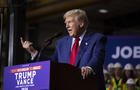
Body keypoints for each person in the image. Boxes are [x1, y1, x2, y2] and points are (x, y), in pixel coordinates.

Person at [21, 9, 107, 90]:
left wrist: (89, 68)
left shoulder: (97, 39)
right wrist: (33, 52)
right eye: (65, 23)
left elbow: (97, 58)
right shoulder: (61, 43)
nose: (67, 26)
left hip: (88, 86)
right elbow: (52, 63)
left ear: (81, 23)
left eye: (70, 22)